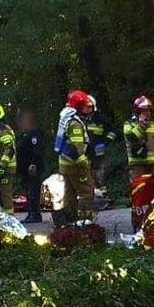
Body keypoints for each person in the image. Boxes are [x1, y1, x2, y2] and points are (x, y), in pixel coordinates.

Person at [54, 90, 94, 225]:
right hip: (75, 165)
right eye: (85, 107)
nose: (87, 110)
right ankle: (85, 221)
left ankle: (69, 221)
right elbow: (78, 145)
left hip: (65, 165)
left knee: (69, 194)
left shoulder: (67, 119)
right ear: (78, 107)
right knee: (86, 192)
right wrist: (84, 162)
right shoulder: (75, 123)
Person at [123, 95, 154, 180]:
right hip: (138, 165)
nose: (148, 113)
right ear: (138, 112)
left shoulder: (153, 125)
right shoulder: (129, 125)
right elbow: (132, 137)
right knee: (140, 189)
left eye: (149, 111)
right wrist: (142, 125)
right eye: (145, 111)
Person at [16, 108, 44, 224]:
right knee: (29, 192)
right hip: (25, 169)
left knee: (33, 192)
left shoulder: (34, 134)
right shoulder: (25, 134)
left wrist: (33, 163)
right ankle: (31, 213)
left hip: (33, 168)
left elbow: (37, 150)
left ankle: (35, 214)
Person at [85, 96, 117, 192]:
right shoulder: (80, 119)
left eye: (89, 107)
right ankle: (91, 199)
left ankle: (103, 198)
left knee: (99, 177)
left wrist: (105, 143)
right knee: (87, 178)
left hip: (98, 155)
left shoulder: (100, 119)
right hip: (85, 154)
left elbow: (114, 131)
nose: (87, 109)